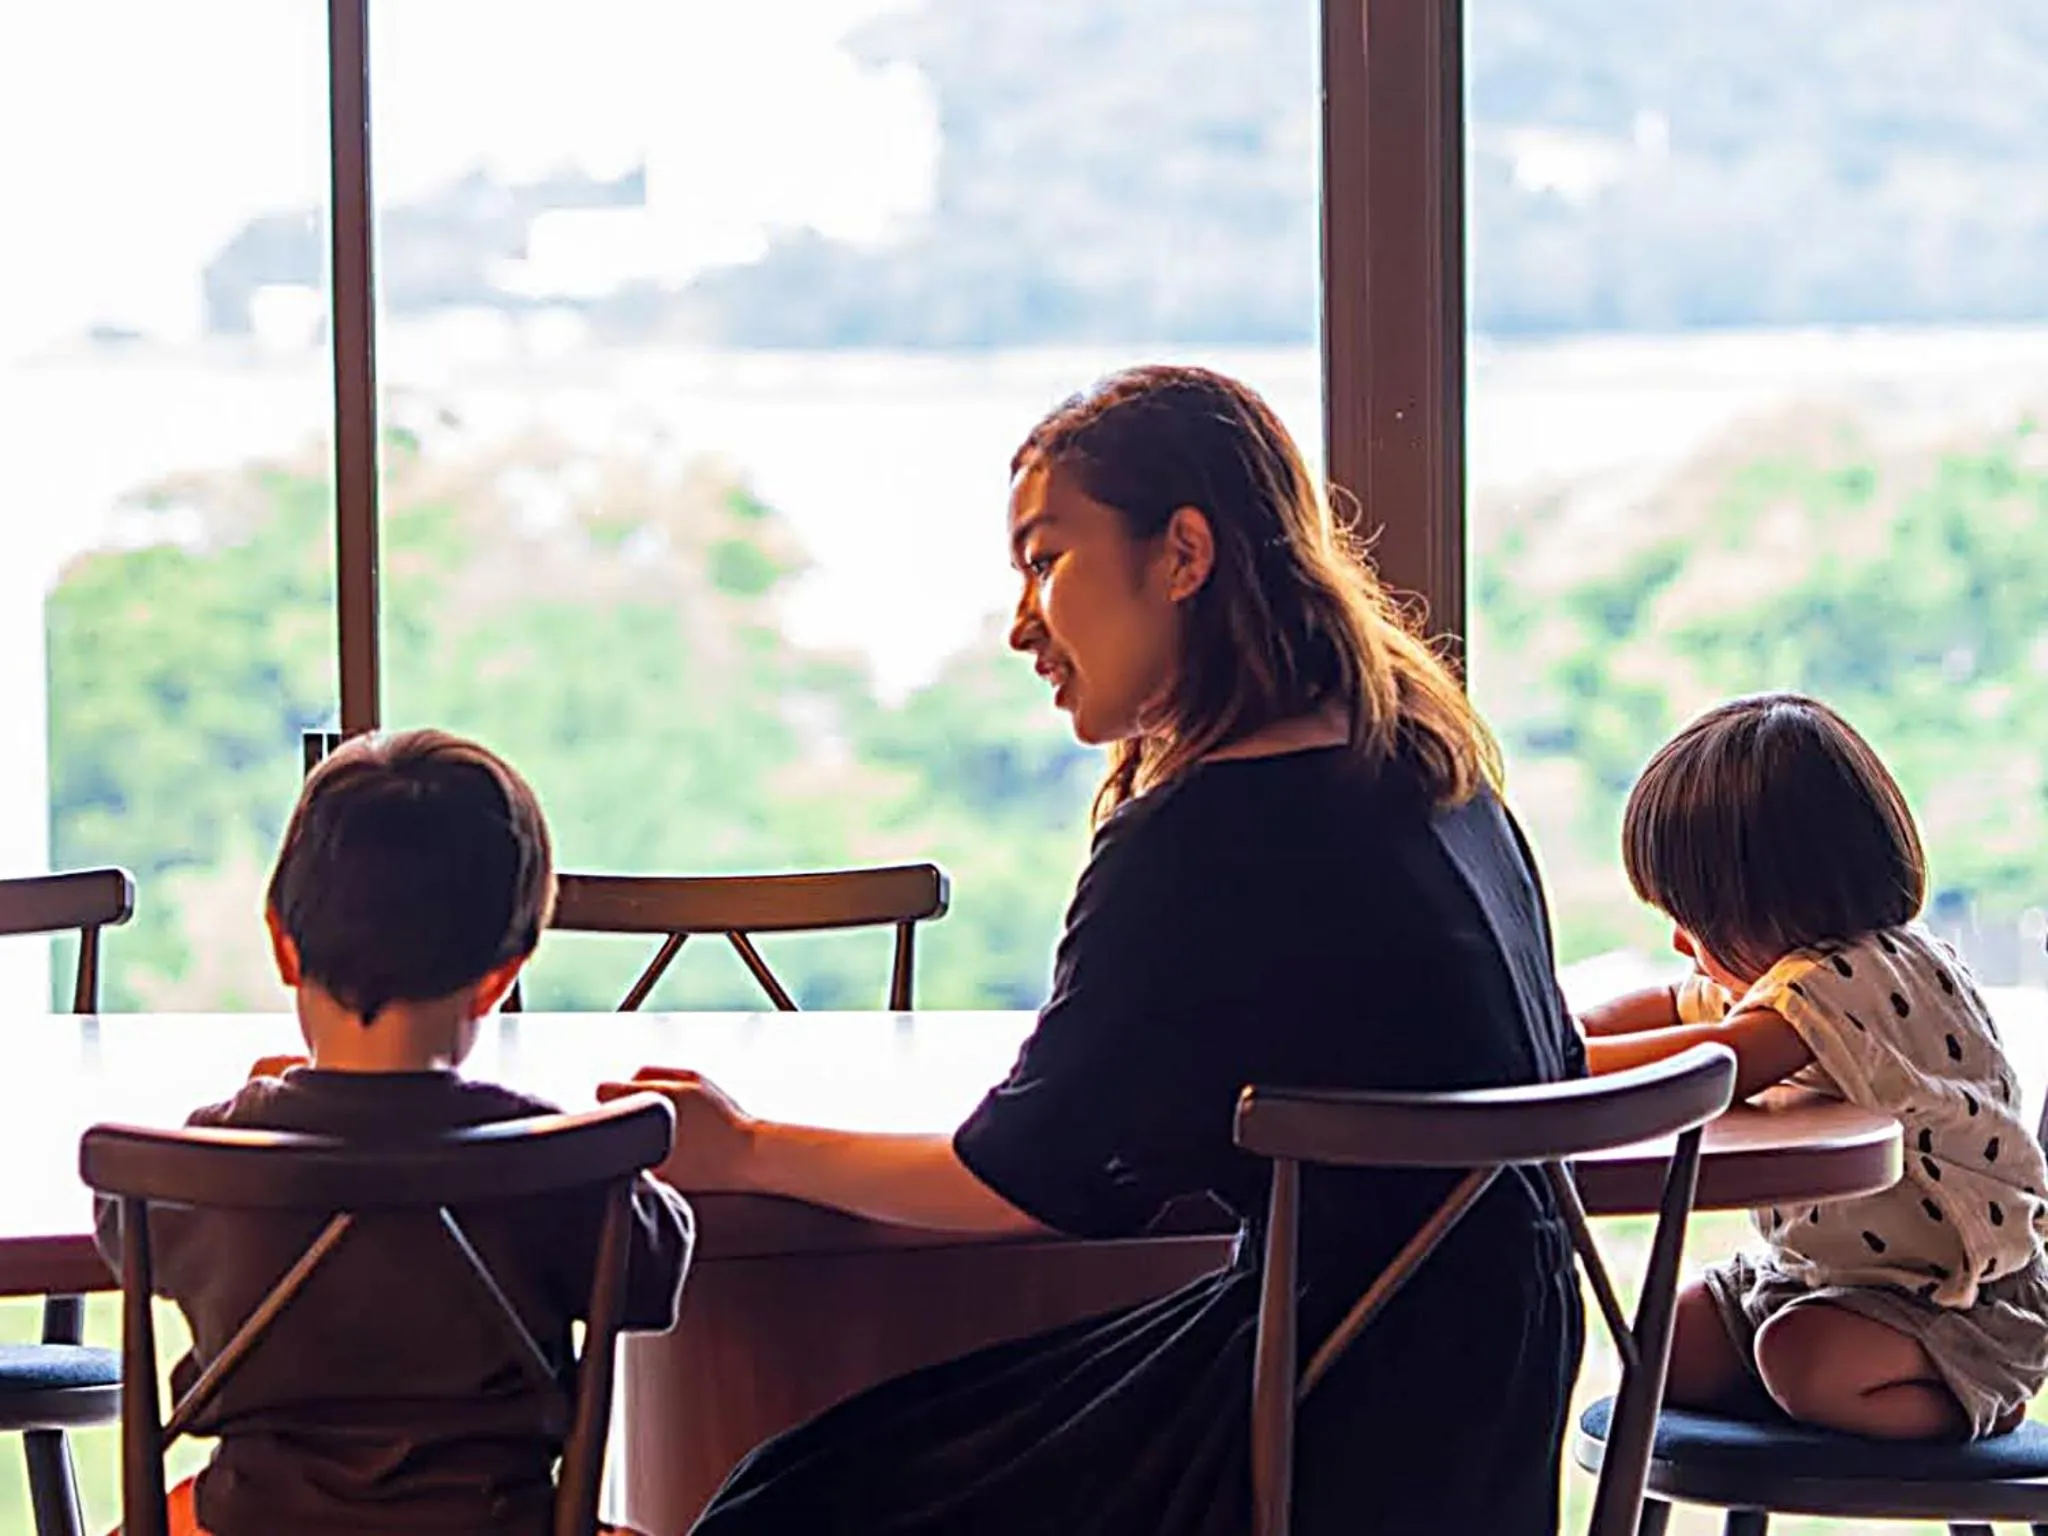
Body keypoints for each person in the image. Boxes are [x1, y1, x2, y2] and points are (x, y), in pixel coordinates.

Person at [607, 365, 1586, 1534]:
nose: (1023, 623)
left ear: (1180, 554)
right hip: (1484, 1412)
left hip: (1319, 1423)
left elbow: (1019, 1181)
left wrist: (747, 1146)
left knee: (792, 1502)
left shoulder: (1200, 839)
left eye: (1043, 560)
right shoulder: (1439, 777)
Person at [95, 729, 695, 1536]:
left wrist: (259, 1104)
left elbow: (116, 1232)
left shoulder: (199, 1168)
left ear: (282, 942)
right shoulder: (563, 1166)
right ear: (501, 975)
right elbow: (655, 1268)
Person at [1581, 694, 2048, 1440]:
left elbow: (1717, 1064)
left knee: (1798, 1356)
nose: (1679, 942)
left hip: (1958, 1302)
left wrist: (1555, 1060)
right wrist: (1557, 1021)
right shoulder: (1790, 971)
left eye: (1694, 920)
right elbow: (1675, 1004)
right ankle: (1810, 1389)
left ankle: (1969, 1398)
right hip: (1824, 1278)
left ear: (1769, 901)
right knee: (1662, 1345)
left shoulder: (1851, 981)